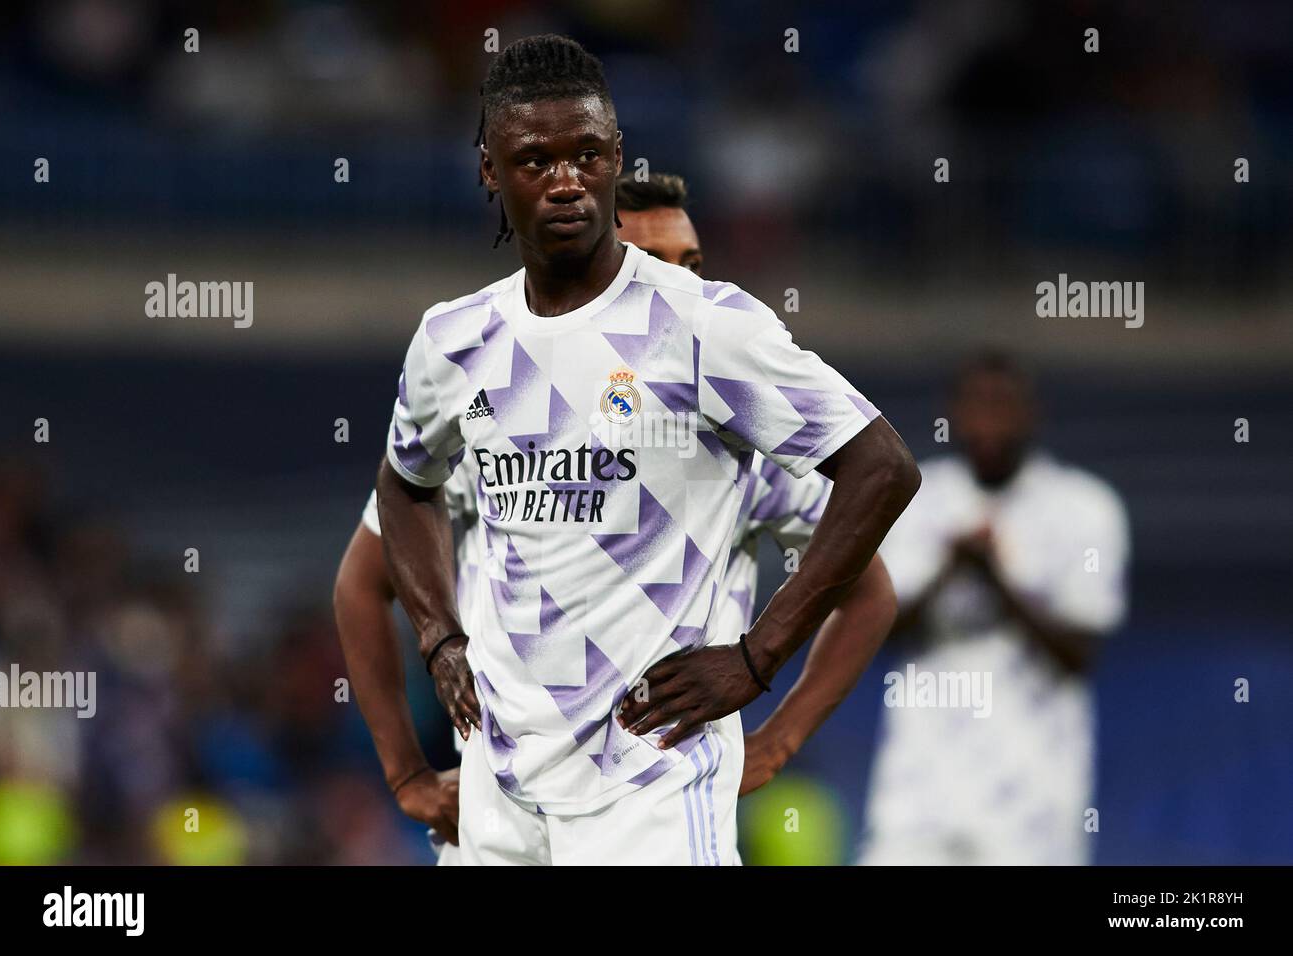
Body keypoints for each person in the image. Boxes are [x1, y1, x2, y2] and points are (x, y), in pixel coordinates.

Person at [374, 34, 919, 865]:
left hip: (649, 783)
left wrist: (757, 657)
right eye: (534, 161)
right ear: (489, 169)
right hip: (501, 782)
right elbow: (405, 485)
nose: (565, 181)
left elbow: (882, 465)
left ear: (616, 158)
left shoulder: (702, 323)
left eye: (586, 155)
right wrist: (440, 637)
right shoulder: (453, 340)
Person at [857, 352, 1130, 865]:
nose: (988, 422)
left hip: (1033, 802)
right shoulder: (915, 498)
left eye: (1003, 406)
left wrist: (998, 580)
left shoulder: (1085, 507)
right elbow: (879, 632)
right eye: (975, 406)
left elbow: (1079, 653)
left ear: (1032, 414)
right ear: (953, 413)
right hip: (919, 792)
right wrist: (950, 569)